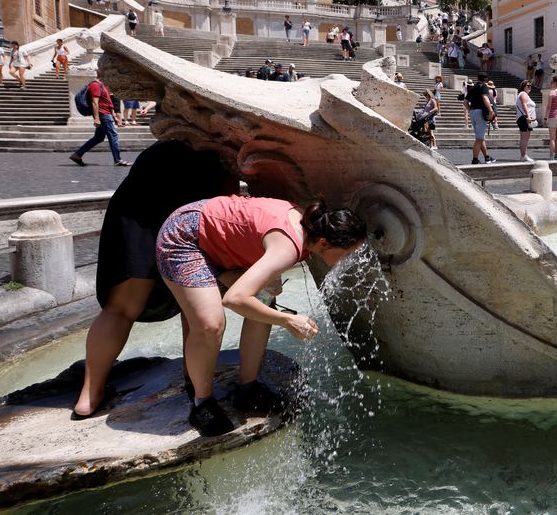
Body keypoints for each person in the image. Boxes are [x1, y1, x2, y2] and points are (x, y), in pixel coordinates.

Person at [157, 195, 367, 436]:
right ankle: (202, 403)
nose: (350, 260)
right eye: (348, 253)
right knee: (210, 324)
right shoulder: (290, 247)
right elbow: (235, 299)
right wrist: (288, 320)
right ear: (324, 243)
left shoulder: (311, 225)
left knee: (266, 297)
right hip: (184, 238)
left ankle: (247, 388)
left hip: (214, 241)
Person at [72, 141, 236, 419]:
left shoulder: (173, 135)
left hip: (143, 192)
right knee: (195, 303)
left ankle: (89, 395)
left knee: (121, 308)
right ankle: (195, 380)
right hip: (198, 194)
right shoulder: (222, 147)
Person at [69, 69, 131, 167]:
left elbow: (106, 103)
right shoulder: (95, 85)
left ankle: (77, 155)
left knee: (98, 137)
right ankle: (118, 159)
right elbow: (95, 102)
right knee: (113, 135)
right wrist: (97, 118)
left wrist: (113, 116)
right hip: (103, 115)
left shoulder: (102, 86)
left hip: (106, 114)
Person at [464, 73, 496, 164]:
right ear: (486, 79)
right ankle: (475, 159)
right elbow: (485, 98)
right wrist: (491, 111)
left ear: (477, 78)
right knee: (479, 139)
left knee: (480, 137)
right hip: (480, 113)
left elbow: (465, 102)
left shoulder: (472, 88)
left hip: (473, 112)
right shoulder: (483, 86)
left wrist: (470, 110)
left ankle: (487, 157)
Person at [515, 80, 537, 161]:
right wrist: (528, 116)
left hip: (526, 118)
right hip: (524, 118)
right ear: (523, 86)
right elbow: (524, 105)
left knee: (525, 138)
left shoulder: (526, 95)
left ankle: (524, 155)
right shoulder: (523, 94)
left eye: (530, 86)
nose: (529, 87)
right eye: (527, 86)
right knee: (524, 138)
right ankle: (523, 156)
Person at [422, 80, 441, 149]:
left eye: (426, 95)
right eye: (424, 95)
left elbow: (436, 108)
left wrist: (430, 112)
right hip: (427, 118)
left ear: (428, 94)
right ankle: (431, 145)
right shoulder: (427, 101)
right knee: (428, 132)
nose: (425, 96)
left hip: (431, 118)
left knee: (431, 132)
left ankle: (434, 145)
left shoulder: (432, 100)